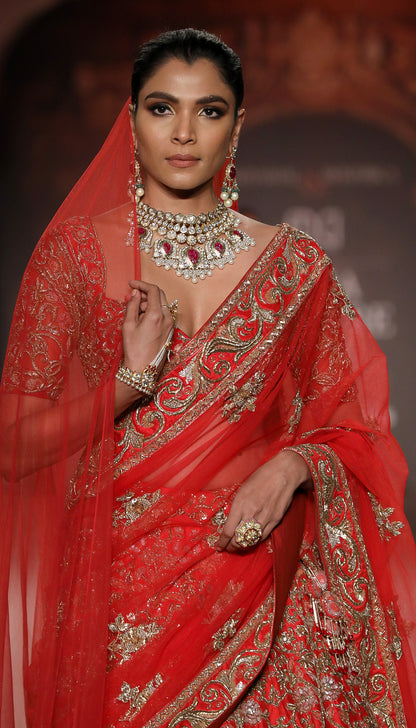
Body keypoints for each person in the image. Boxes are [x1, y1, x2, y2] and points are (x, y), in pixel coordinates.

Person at [1, 27, 415, 728]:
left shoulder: (292, 265)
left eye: (210, 110)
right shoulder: (74, 256)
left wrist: (292, 465)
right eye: (162, 108)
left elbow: (354, 424)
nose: (185, 132)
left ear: (238, 123)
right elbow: (13, 447)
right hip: (118, 604)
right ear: (131, 118)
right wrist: (130, 383)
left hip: (259, 588)